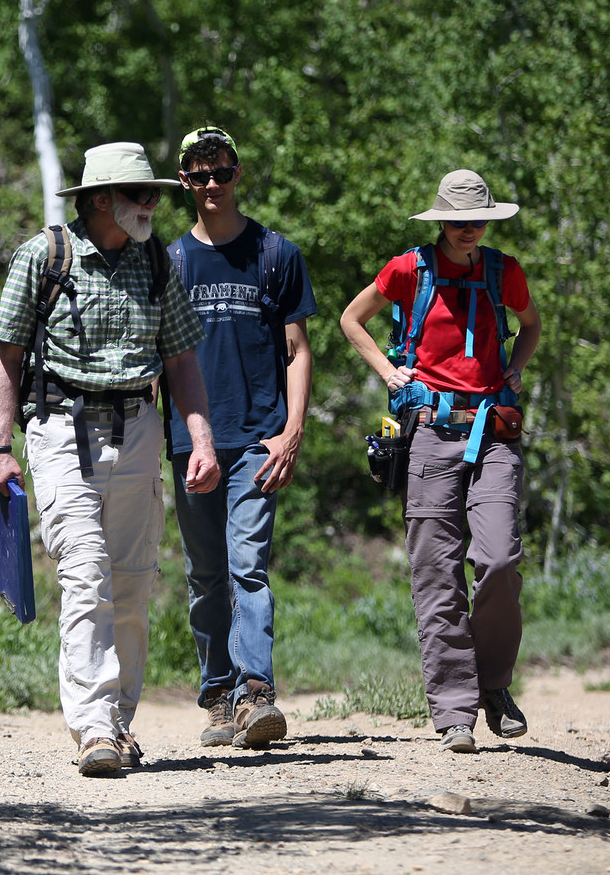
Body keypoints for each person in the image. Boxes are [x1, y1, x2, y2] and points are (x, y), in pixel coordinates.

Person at [0, 142, 221, 777]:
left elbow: (180, 362)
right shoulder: (45, 255)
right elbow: (7, 357)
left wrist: (200, 440)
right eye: (139, 194)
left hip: (140, 428)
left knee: (133, 583)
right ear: (98, 199)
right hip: (61, 429)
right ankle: (93, 727)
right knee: (86, 573)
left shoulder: (157, 261)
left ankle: (118, 727)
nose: (152, 204)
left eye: (152, 195)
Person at [339, 168, 542, 753]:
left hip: (494, 433)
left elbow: (529, 327)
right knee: (437, 574)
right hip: (428, 432)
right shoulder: (409, 268)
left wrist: (515, 369)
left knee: (500, 558)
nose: (467, 229)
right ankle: (455, 712)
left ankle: (494, 686)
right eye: (457, 220)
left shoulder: (504, 271)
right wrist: (388, 371)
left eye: (476, 219)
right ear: (440, 221)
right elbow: (353, 319)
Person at [164, 127, 317, 749]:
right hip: (189, 441)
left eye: (220, 173)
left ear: (237, 173)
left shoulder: (275, 253)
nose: (210, 187)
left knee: (247, 566)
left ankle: (257, 695)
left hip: (258, 436)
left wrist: (292, 433)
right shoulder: (169, 261)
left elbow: (298, 350)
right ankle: (218, 698)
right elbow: (159, 359)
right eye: (198, 176)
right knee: (205, 575)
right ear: (184, 183)